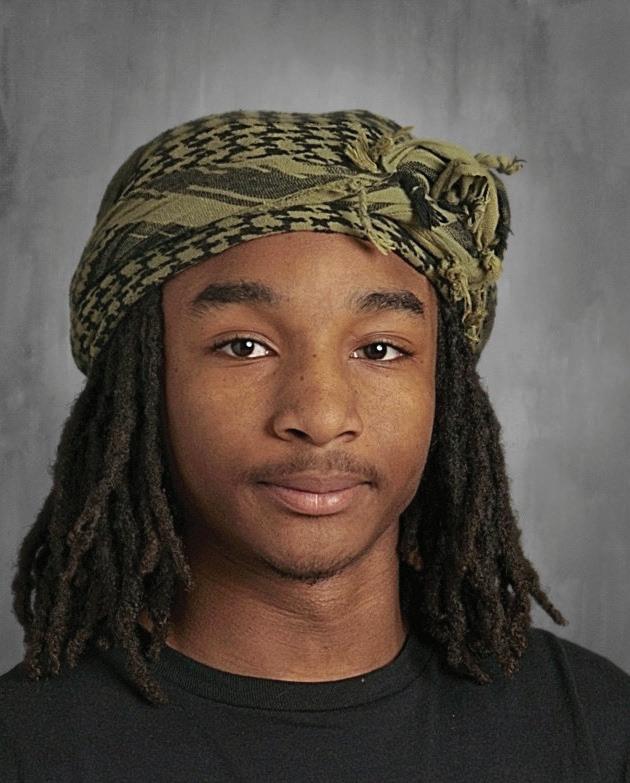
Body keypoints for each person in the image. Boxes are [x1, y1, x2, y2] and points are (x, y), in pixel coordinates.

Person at [1, 109, 628, 782]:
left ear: (444, 388)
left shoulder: (592, 727)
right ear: (143, 380)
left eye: (380, 349)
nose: (321, 416)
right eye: (244, 346)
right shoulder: (25, 747)